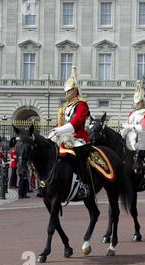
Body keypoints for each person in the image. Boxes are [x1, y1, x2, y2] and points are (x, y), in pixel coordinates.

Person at [48, 66, 91, 200]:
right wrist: (54, 131)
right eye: (66, 91)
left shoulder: (82, 105)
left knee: (78, 155)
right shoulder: (64, 107)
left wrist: (58, 131)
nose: (67, 94)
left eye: (69, 91)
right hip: (63, 136)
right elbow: (60, 123)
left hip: (78, 137)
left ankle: (84, 184)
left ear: (75, 90)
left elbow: (76, 123)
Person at [121, 80, 145, 151]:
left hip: (141, 137)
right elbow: (127, 124)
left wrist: (129, 126)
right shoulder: (131, 114)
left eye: (138, 102)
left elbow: (144, 127)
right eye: (135, 102)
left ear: (142, 102)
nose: (136, 104)